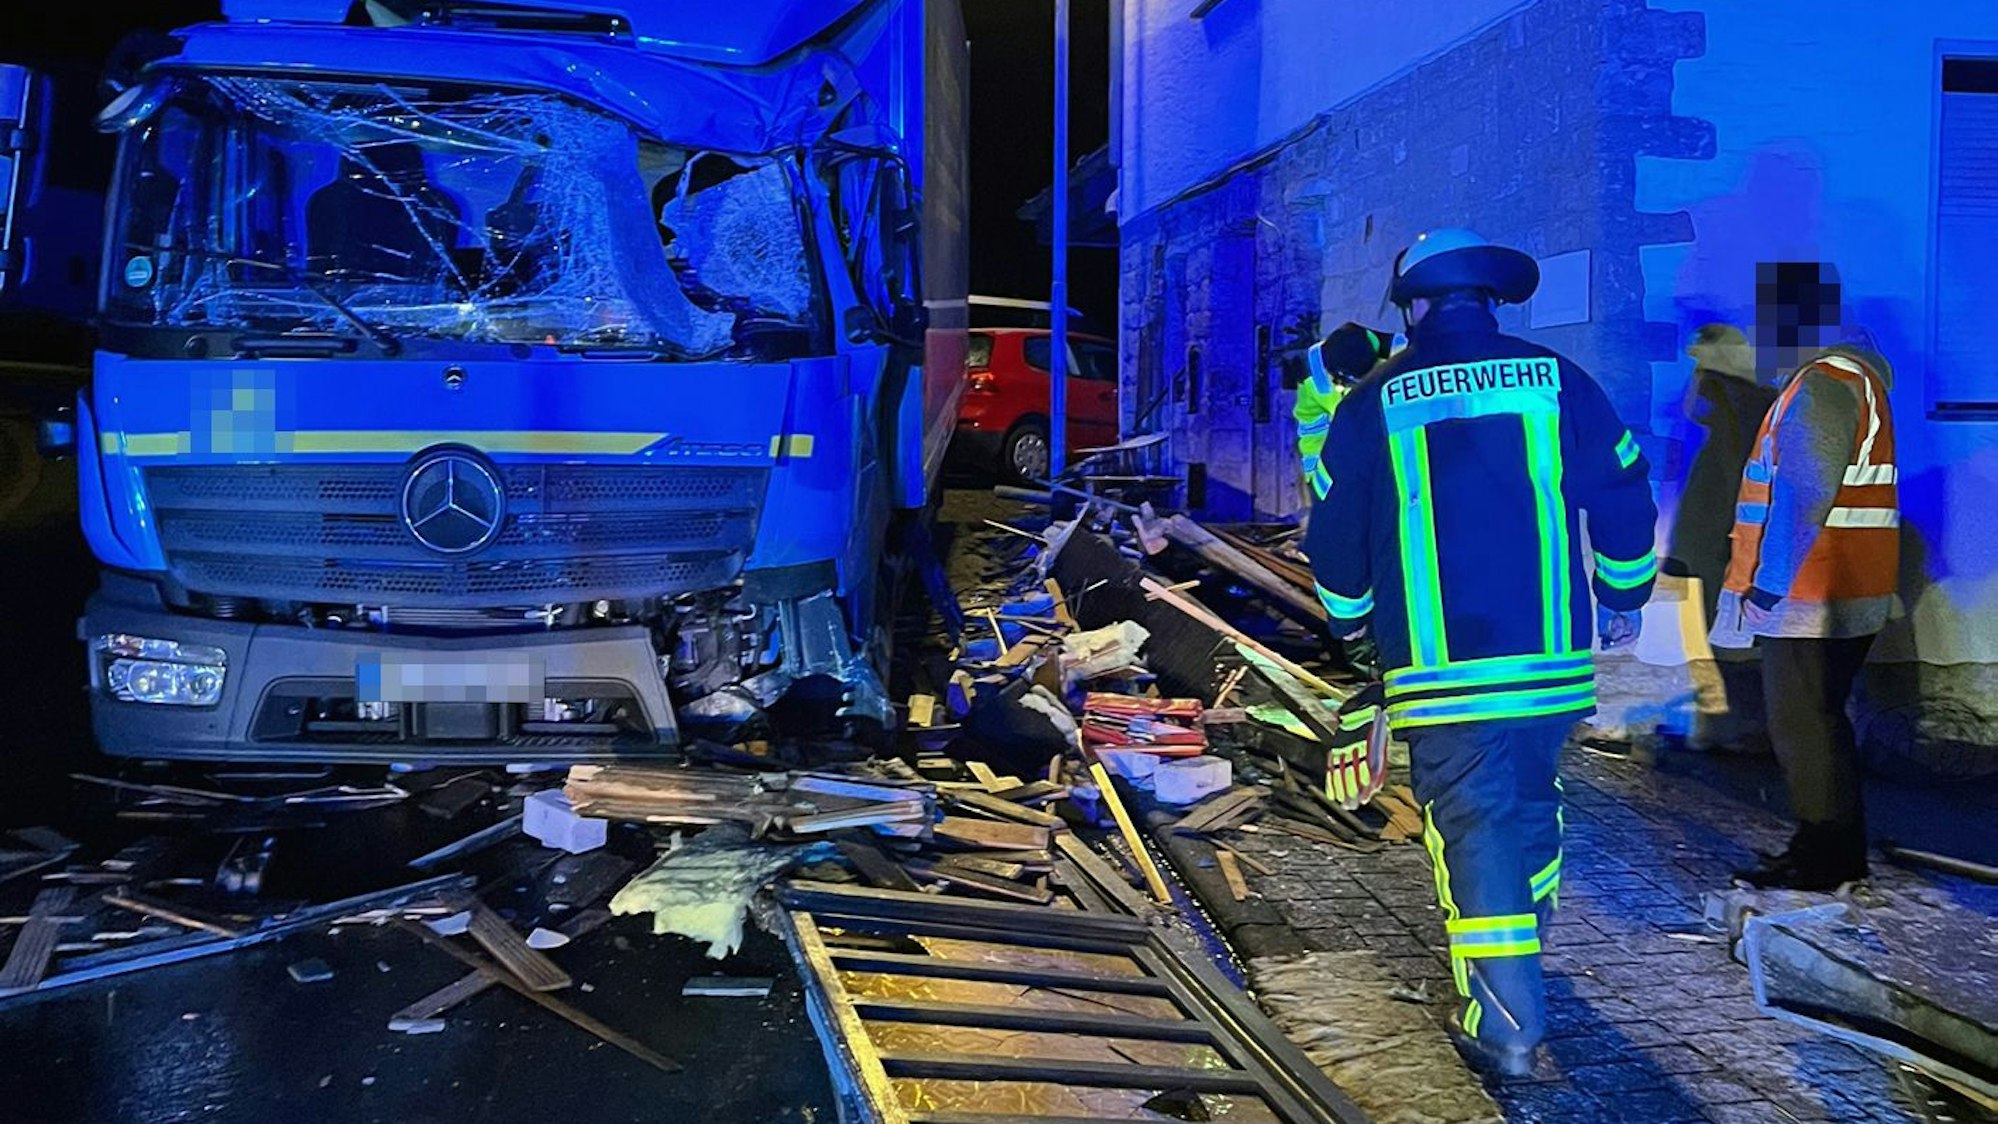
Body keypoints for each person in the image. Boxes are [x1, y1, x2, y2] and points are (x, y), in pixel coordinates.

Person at [1306, 228, 1658, 1078]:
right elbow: (1620, 491)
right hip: (1548, 669)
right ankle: (1522, 970)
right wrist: (1622, 596)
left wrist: (1351, 624)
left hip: (1442, 670)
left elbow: (1335, 536)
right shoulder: (1558, 380)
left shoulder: (1372, 403)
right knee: (1530, 811)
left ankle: (1505, 1025)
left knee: (1477, 834)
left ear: (1413, 306)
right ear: (1489, 301)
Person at [1711, 262, 1898, 891]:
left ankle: (1823, 860)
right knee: (1820, 723)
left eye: (1770, 320)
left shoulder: (1821, 385)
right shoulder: (1851, 379)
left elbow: (1805, 496)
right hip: (1841, 588)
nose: (1762, 335)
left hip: (1812, 594)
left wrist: (1766, 585)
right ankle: (1828, 849)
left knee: (1805, 728)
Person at [1664, 324, 1777, 749]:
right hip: (1711, 540)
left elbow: (1732, 480)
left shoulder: (1726, 403)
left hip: (1716, 542)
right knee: (1719, 633)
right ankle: (1726, 726)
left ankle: (1732, 728)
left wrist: (1729, 544)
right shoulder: (1747, 403)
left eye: (1698, 358)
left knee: (1722, 634)